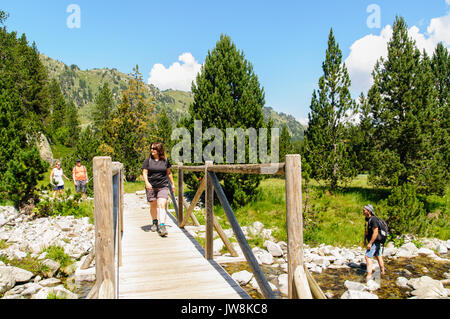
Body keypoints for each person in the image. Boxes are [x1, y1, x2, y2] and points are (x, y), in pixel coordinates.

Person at [142, 142, 175, 237]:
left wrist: (172, 184)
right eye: (151, 148)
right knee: (153, 205)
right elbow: (144, 173)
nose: (152, 150)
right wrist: (147, 183)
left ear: (159, 150)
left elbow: (169, 173)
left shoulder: (165, 161)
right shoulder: (147, 161)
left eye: (154, 149)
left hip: (163, 186)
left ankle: (162, 226)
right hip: (151, 186)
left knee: (162, 204)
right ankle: (154, 222)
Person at [363, 204, 386, 281]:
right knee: (378, 256)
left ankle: (369, 275)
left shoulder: (374, 220)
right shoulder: (367, 219)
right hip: (375, 242)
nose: (363, 211)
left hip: (374, 241)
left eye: (364, 210)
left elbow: (375, 232)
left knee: (367, 257)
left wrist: (370, 243)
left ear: (369, 211)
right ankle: (383, 272)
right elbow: (366, 231)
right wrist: (364, 239)